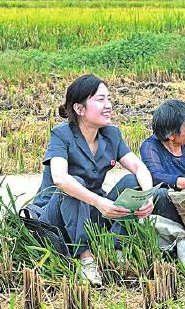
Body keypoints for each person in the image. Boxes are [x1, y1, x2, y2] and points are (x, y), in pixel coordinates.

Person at [32, 75, 155, 286]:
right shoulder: (61, 134)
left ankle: (116, 249)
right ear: (79, 109)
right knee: (74, 183)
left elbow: (138, 167)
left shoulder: (111, 134)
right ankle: (85, 258)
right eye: (100, 100)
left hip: (91, 214)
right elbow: (60, 178)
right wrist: (99, 202)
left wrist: (147, 196)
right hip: (56, 217)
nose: (108, 105)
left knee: (131, 181)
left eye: (109, 99)